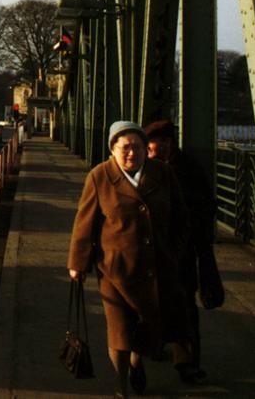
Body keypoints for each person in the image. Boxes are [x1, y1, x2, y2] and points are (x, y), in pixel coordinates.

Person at [67, 120, 190, 397]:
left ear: (146, 149)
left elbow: (181, 217)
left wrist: (173, 252)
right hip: (116, 270)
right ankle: (120, 387)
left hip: (157, 267)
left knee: (147, 326)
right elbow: (85, 223)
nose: (132, 153)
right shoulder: (100, 176)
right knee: (120, 333)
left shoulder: (163, 173)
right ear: (112, 150)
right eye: (125, 147)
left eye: (137, 147)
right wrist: (77, 263)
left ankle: (136, 363)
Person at [144, 119, 215, 383]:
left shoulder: (187, 168)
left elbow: (205, 207)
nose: (161, 146)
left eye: (166, 141)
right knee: (157, 302)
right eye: (156, 142)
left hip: (179, 250)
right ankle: (157, 346)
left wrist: (198, 243)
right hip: (153, 250)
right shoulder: (142, 169)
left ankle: (187, 362)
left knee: (184, 304)